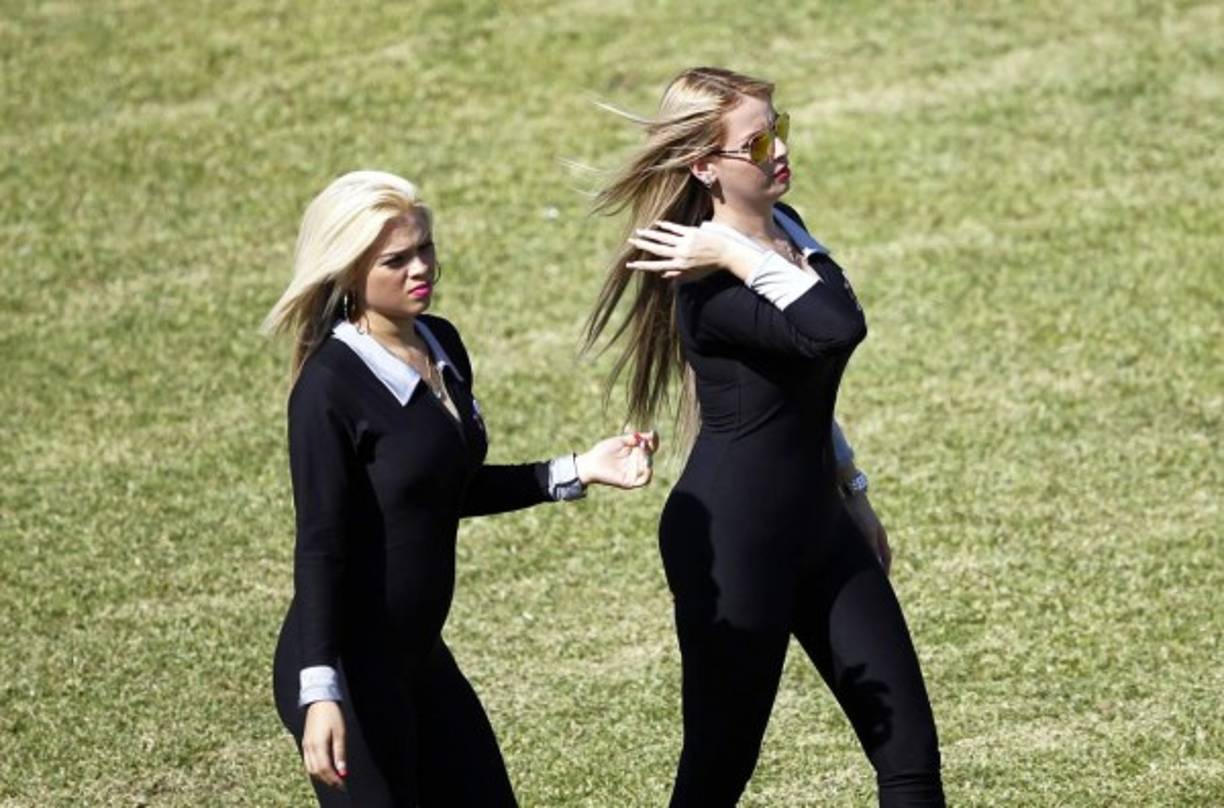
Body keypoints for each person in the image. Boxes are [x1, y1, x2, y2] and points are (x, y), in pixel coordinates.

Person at [585, 67, 944, 806]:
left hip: (821, 525)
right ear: (704, 166)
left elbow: (806, 390)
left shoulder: (789, 227)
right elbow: (836, 328)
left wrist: (853, 492)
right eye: (755, 143)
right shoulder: (707, 287)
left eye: (779, 128)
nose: (777, 149)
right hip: (734, 541)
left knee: (909, 757)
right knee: (717, 770)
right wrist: (734, 253)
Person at [262, 170, 657, 807]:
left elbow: (440, 491)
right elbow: (320, 545)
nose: (420, 268)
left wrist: (577, 468)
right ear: (349, 272)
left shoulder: (439, 342)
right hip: (347, 674)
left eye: (425, 248)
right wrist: (319, 693)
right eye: (396, 260)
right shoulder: (328, 388)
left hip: (418, 656)